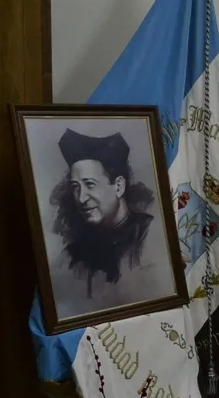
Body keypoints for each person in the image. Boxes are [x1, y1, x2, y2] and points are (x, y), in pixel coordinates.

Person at [49, 129, 172, 319]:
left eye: (90, 184)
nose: (81, 198)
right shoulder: (72, 253)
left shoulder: (152, 237)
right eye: (76, 187)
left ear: (119, 186)